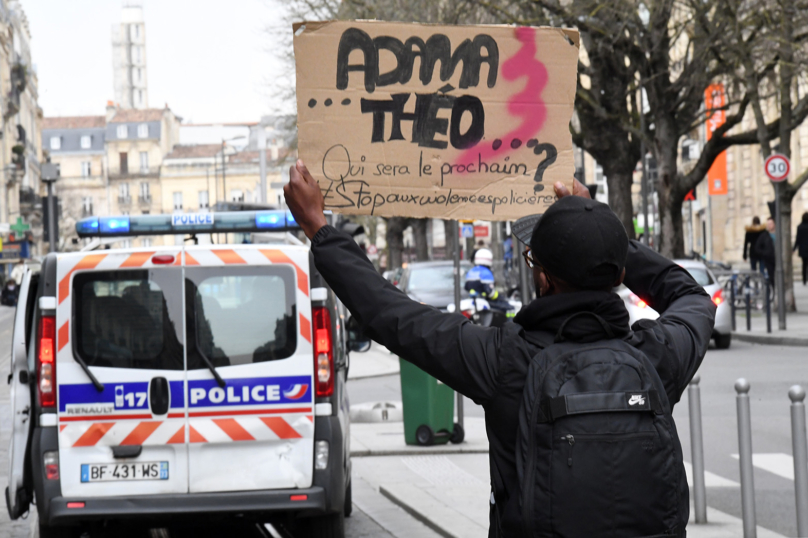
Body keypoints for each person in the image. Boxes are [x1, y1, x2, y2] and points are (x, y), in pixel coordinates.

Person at [284, 160, 715, 537]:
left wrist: (320, 229)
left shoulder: (505, 359)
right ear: (620, 273)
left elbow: (390, 315)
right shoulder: (657, 356)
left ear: (542, 277)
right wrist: (603, 230)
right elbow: (691, 297)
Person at [464, 248, 513, 315]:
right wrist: (500, 297)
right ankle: (509, 324)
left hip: (473, 301)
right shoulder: (486, 272)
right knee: (509, 308)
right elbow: (489, 292)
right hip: (485, 301)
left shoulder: (471, 271)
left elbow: (466, 287)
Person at [754, 217, 777, 287]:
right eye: (768, 224)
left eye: (770, 224)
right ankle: (773, 289)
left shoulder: (779, 234)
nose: (769, 226)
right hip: (769, 259)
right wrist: (764, 253)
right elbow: (757, 247)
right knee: (771, 276)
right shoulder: (764, 235)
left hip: (778, 259)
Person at [795, 212, 808, 286]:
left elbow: (798, 239)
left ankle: (804, 280)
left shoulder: (800, 227)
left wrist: (794, 248)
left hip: (803, 249)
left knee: (804, 265)